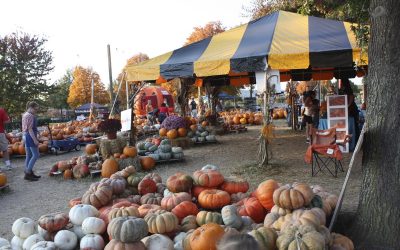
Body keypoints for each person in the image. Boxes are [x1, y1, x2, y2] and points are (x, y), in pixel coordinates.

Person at [339, 78, 360, 152]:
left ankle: (356, 142)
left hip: (352, 110)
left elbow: (351, 98)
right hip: (350, 109)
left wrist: (347, 105)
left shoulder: (348, 90)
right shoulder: (344, 89)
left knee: (355, 126)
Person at [22, 101, 41, 181]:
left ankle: (28, 171)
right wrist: (35, 140)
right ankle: (28, 173)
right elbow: (30, 129)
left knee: (29, 155)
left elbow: (25, 128)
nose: (36, 111)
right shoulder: (30, 116)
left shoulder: (25, 115)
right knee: (36, 155)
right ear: (31, 108)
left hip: (26, 136)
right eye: (35, 109)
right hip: (30, 137)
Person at [0, 107, 12, 171]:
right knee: (4, 149)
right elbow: (7, 121)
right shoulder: (1, 110)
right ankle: (8, 165)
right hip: (0, 133)